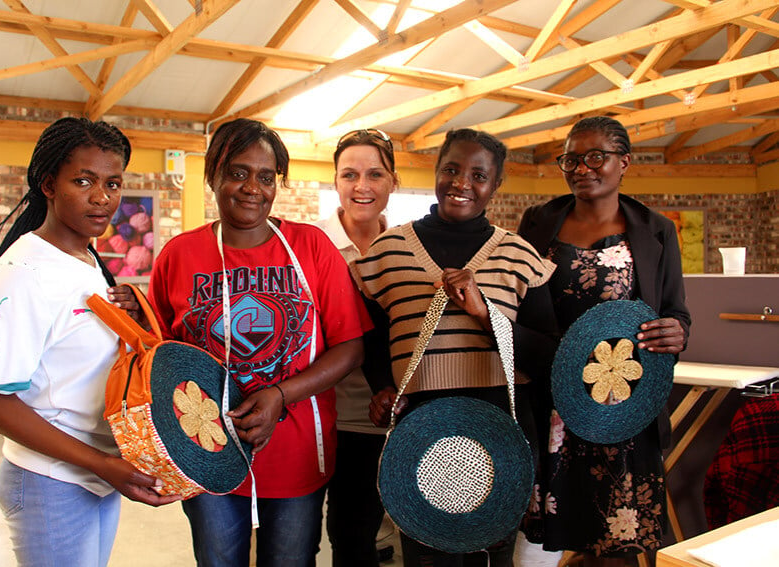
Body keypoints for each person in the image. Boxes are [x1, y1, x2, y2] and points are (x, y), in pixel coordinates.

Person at [147, 118, 368, 567]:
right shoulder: (179, 255)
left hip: (297, 449)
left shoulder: (312, 247)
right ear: (212, 176)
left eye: (266, 177)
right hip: (207, 447)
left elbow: (350, 347)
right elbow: (159, 357)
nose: (253, 187)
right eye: (238, 172)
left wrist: (280, 394)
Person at [0, 117, 179, 567]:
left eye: (113, 183)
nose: (103, 197)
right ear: (48, 184)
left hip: (96, 470)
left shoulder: (85, 260)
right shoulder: (22, 274)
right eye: (84, 181)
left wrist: (133, 314)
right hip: (52, 479)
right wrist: (103, 465)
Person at [351, 128, 557, 567]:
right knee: (427, 557)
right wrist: (384, 387)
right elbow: (369, 337)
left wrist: (485, 313)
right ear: (436, 172)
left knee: (493, 558)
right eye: (451, 169)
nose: (462, 183)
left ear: (496, 185)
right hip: (419, 434)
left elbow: (547, 356)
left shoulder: (520, 255)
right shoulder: (387, 252)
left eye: (478, 175)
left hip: (501, 432)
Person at [518, 116, 690, 567]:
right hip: (552, 400)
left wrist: (678, 331)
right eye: (571, 159)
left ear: (623, 162)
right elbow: (518, 302)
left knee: (620, 538)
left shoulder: (655, 230)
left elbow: (675, 310)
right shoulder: (537, 224)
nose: (582, 168)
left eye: (596, 156)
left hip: (622, 404)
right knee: (546, 534)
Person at [314, 128, 398, 567]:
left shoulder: (407, 247)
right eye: (350, 174)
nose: (361, 186)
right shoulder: (310, 245)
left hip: (380, 418)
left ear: (393, 182)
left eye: (374, 174)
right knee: (301, 536)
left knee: (356, 534)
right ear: (335, 181)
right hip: (316, 414)